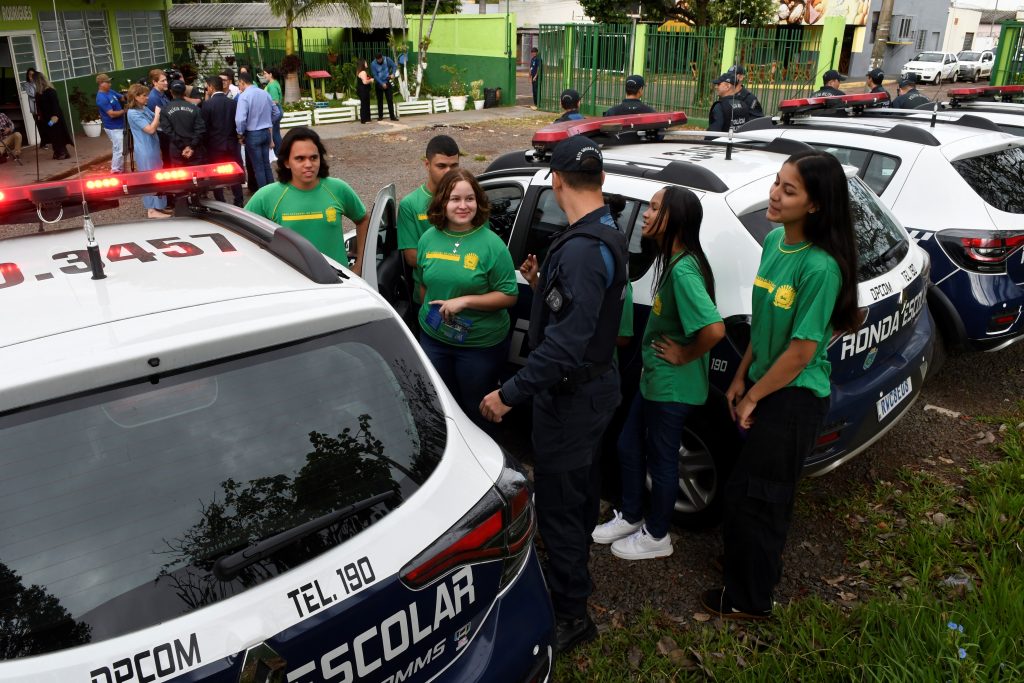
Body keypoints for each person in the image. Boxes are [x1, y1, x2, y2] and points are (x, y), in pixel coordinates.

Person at [479, 135, 628, 654]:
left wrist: (509, 394)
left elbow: (566, 346)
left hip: (571, 398)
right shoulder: (601, 230)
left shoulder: (585, 249)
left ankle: (572, 613)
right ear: (602, 181)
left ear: (556, 181)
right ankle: (575, 560)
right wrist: (544, 283)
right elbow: (581, 314)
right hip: (591, 390)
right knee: (582, 487)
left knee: (561, 506)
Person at [701, 150, 860, 620]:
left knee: (759, 499)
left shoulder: (821, 268)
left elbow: (800, 352)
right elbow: (765, 322)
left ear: (815, 205)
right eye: (776, 183)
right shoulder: (774, 244)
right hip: (764, 383)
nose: (774, 194)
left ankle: (750, 599)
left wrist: (754, 396)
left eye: (789, 190)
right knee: (746, 491)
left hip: (794, 397)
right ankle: (747, 565)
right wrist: (740, 376)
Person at [592, 186, 724, 560]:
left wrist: (684, 354)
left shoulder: (684, 271)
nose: (646, 215)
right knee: (628, 445)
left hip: (672, 387)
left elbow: (714, 330)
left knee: (663, 460)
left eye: (653, 208)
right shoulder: (677, 261)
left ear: (675, 219)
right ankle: (632, 515)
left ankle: (657, 536)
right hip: (655, 382)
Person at [416, 168, 518, 429]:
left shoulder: (492, 245)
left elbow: (509, 296)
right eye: (455, 199)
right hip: (434, 338)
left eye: (469, 199)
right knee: (439, 406)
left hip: (479, 347)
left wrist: (465, 302)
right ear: (442, 202)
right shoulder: (428, 239)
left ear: (479, 202)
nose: (463, 206)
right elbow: (423, 285)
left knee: (476, 410)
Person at [245, 126, 370, 276]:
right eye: (300, 159)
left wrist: (360, 264)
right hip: (294, 286)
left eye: (313, 157)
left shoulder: (338, 189)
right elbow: (240, 232)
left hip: (337, 283)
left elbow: (363, 220)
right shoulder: (267, 196)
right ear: (286, 162)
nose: (308, 164)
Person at [398, 135, 461, 310]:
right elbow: (411, 257)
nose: (449, 172)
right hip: (428, 295)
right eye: (441, 166)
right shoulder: (410, 204)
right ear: (427, 164)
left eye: (454, 166)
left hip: (465, 294)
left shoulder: (468, 201)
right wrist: (459, 262)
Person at [125, 83, 169, 219]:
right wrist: (156, 114)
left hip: (153, 148)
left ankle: (159, 207)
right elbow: (150, 129)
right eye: (144, 95)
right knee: (149, 179)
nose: (147, 98)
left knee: (157, 177)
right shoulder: (132, 113)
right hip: (145, 150)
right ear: (136, 97)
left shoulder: (143, 109)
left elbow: (158, 122)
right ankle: (151, 209)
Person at [201, 75, 244, 207]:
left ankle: (220, 201)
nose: (206, 89)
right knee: (235, 173)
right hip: (232, 144)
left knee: (215, 175)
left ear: (211, 87)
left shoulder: (207, 105)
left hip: (215, 146)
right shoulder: (233, 103)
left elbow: (205, 127)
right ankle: (239, 200)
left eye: (207, 86)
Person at [235, 70, 275, 191]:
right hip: (266, 131)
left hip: (253, 134)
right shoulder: (264, 93)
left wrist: (240, 133)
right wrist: (268, 120)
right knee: (266, 164)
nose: (238, 86)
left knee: (258, 167)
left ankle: (264, 194)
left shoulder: (244, 96)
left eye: (239, 84)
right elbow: (276, 111)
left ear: (242, 82)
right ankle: (273, 190)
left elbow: (240, 120)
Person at [160, 80, 205, 167]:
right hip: (195, 150)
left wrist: (183, 147)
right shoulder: (195, 108)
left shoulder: (165, 109)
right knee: (197, 177)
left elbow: (168, 131)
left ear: (171, 91)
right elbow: (200, 129)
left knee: (179, 178)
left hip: (177, 150)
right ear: (184, 92)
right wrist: (191, 147)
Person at [34, 71, 72, 160]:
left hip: (54, 117)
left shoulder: (50, 91)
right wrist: (39, 115)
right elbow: (39, 106)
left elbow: (55, 104)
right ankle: (58, 151)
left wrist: (55, 116)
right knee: (51, 134)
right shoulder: (38, 93)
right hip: (46, 118)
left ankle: (62, 151)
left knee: (57, 134)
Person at [95, 74, 126, 173]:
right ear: (101, 83)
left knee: (120, 149)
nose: (110, 84)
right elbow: (111, 114)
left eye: (109, 81)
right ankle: (115, 170)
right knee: (119, 150)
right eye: (107, 82)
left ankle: (120, 168)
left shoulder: (110, 91)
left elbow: (122, 98)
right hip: (113, 128)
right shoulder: (101, 98)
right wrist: (125, 111)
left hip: (120, 125)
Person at [22, 68, 47, 151]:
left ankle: (48, 140)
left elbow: (43, 92)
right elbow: (32, 94)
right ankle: (44, 143)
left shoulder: (39, 83)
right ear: (27, 75)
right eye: (29, 74)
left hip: (43, 108)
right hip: (35, 109)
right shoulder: (27, 84)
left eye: (33, 74)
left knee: (46, 124)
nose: (31, 76)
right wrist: (33, 83)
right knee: (40, 126)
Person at [370, 53, 399, 121]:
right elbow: (375, 75)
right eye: (377, 60)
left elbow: (394, 66)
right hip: (379, 83)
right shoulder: (373, 64)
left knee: (390, 99)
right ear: (376, 59)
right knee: (380, 100)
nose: (379, 61)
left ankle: (392, 116)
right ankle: (380, 116)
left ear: (382, 57)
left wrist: (393, 73)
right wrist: (382, 83)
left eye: (380, 59)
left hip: (387, 81)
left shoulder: (387, 59)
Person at [262, 67, 284, 149]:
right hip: (277, 111)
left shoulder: (272, 85)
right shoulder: (274, 83)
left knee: (274, 134)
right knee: (276, 132)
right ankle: (280, 152)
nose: (264, 76)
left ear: (270, 74)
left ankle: (278, 153)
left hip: (275, 111)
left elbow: (275, 101)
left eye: (265, 73)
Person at [356, 59, 374, 124]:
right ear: (363, 64)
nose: (367, 64)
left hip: (362, 90)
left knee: (365, 104)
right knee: (364, 104)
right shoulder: (363, 72)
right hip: (363, 90)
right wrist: (371, 80)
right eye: (366, 63)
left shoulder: (359, 71)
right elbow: (365, 82)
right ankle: (364, 119)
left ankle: (366, 119)